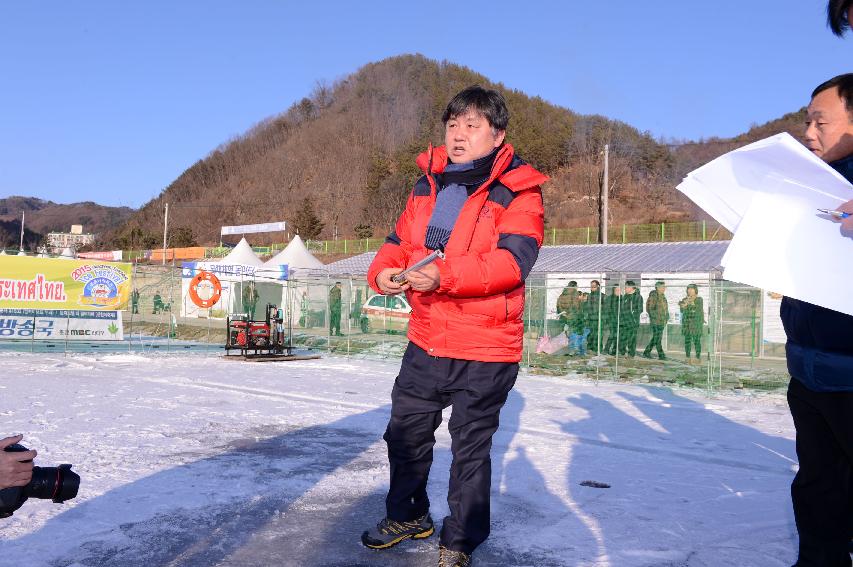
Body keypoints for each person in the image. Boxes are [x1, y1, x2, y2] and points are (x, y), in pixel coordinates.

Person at [361, 86, 546, 567]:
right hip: (427, 337)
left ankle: (460, 541)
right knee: (404, 435)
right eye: (453, 125)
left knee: (470, 450)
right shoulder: (428, 182)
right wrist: (383, 273)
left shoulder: (519, 190)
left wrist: (443, 276)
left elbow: (512, 262)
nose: (459, 135)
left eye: (472, 126)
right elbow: (399, 241)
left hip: (487, 346)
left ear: (497, 134)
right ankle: (406, 515)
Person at [783, 74, 853, 566]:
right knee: (816, 488)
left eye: (820, 121)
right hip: (808, 371)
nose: (809, 132)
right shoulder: (809, 187)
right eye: (807, 120)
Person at [643, 281, 669, 360]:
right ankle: (661, 355)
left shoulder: (663, 296)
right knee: (658, 338)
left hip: (662, 321)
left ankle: (647, 352)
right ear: (658, 288)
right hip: (656, 322)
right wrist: (656, 318)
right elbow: (650, 309)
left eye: (665, 287)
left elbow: (665, 309)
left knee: (656, 338)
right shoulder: (653, 296)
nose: (664, 288)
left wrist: (666, 317)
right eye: (663, 287)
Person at [557, 281, 584, 355]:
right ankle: (574, 349)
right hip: (573, 317)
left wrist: (563, 313)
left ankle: (568, 349)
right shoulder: (574, 292)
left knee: (567, 333)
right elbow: (576, 305)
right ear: (575, 286)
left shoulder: (562, 294)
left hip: (563, 316)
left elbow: (558, 305)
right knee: (574, 332)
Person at [679, 284, 704, 363]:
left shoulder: (699, 299)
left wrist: (692, 302)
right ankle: (687, 357)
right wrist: (684, 305)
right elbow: (682, 311)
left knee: (696, 341)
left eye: (692, 289)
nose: (690, 291)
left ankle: (697, 357)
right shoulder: (684, 299)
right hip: (687, 324)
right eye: (688, 289)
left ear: (695, 290)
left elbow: (698, 310)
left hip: (696, 324)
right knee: (687, 341)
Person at [620, 280, 643, 357]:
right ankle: (622, 352)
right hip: (624, 321)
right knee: (622, 337)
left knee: (632, 339)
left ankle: (631, 354)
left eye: (626, 287)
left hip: (633, 322)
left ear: (631, 287)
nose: (625, 289)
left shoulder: (638, 297)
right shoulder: (625, 297)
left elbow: (640, 309)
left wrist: (632, 314)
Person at [584, 280, 604, 355]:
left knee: (598, 335)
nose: (592, 288)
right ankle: (590, 348)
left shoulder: (602, 296)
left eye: (594, 286)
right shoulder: (589, 296)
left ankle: (597, 349)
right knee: (590, 334)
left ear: (598, 286)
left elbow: (606, 309)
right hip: (590, 319)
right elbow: (586, 308)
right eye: (591, 286)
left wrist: (602, 319)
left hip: (599, 319)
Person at [604, 284, 622, 355]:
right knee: (613, 334)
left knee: (617, 335)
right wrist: (608, 319)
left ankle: (614, 350)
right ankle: (607, 349)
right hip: (611, 320)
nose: (618, 291)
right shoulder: (609, 298)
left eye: (619, 290)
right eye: (617, 290)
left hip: (620, 320)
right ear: (613, 290)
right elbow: (607, 309)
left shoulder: (622, 298)